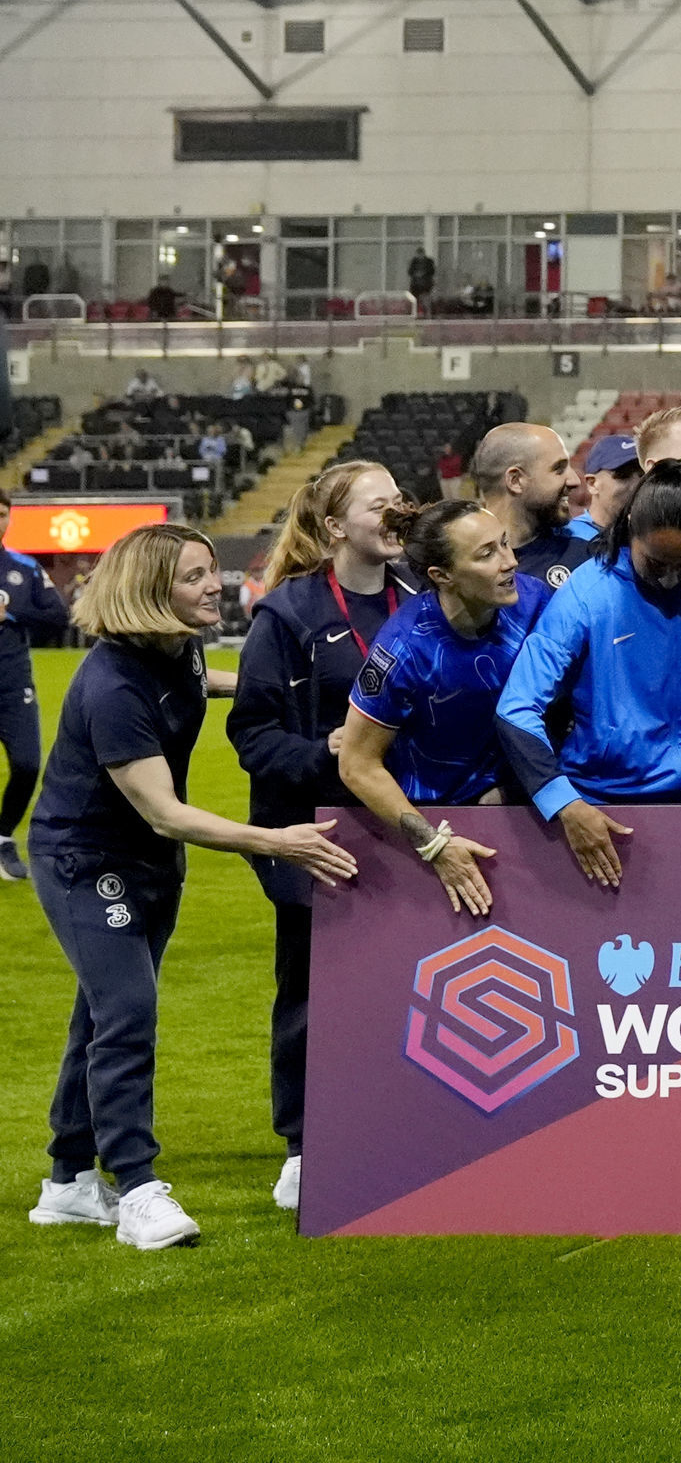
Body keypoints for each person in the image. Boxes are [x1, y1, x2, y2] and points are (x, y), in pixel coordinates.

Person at [28, 525, 353, 1251]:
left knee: (100, 1014)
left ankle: (67, 1180)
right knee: (129, 1011)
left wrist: (293, 693)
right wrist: (276, 840)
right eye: (195, 575)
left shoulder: (181, 648)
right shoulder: (112, 684)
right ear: (151, 591)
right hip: (87, 861)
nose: (217, 584)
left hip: (147, 863)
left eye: (212, 570)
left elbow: (211, 683)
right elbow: (164, 810)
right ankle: (138, 1187)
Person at [228, 458, 416, 1214]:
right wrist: (329, 753)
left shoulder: (420, 602)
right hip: (313, 826)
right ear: (335, 525)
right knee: (311, 990)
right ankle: (304, 1144)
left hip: (401, 823)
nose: (397, 513)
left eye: (401, 500)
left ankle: (392, 1124)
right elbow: (251, 734)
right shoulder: (290, 612)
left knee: (401, 985)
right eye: (380, 504)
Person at [495, 460, 681, 888]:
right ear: (631, 530)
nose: (668, 578)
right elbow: (517, 708)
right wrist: (564, 803)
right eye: (656, 561)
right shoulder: (587, 591)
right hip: (604, 807)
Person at [332, 502, 520, 920]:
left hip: (518, 818)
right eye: (487, 554)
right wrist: (434, 845)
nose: (510, 562)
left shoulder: (533, 603)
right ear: (441, 576)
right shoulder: (402, 650)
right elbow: (357, 765)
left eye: (504, 544)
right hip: (432, 831)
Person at [0, 491, 70, 882]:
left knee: (27, 765)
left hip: (12, 684)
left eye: (2, 514)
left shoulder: (24, 568)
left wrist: (9, 612)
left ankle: (2, 835)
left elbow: (57, 617)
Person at [468, 421, 591, 598]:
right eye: (559, 469)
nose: (574, 480)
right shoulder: (455, 565)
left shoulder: (585, 554)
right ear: (516, 480)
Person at [565, 432, 640, 543]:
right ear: (592, 484)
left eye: (643, 475)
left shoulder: (652, 542)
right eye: (623, 475)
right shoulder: (565, 540)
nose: (637, 484)